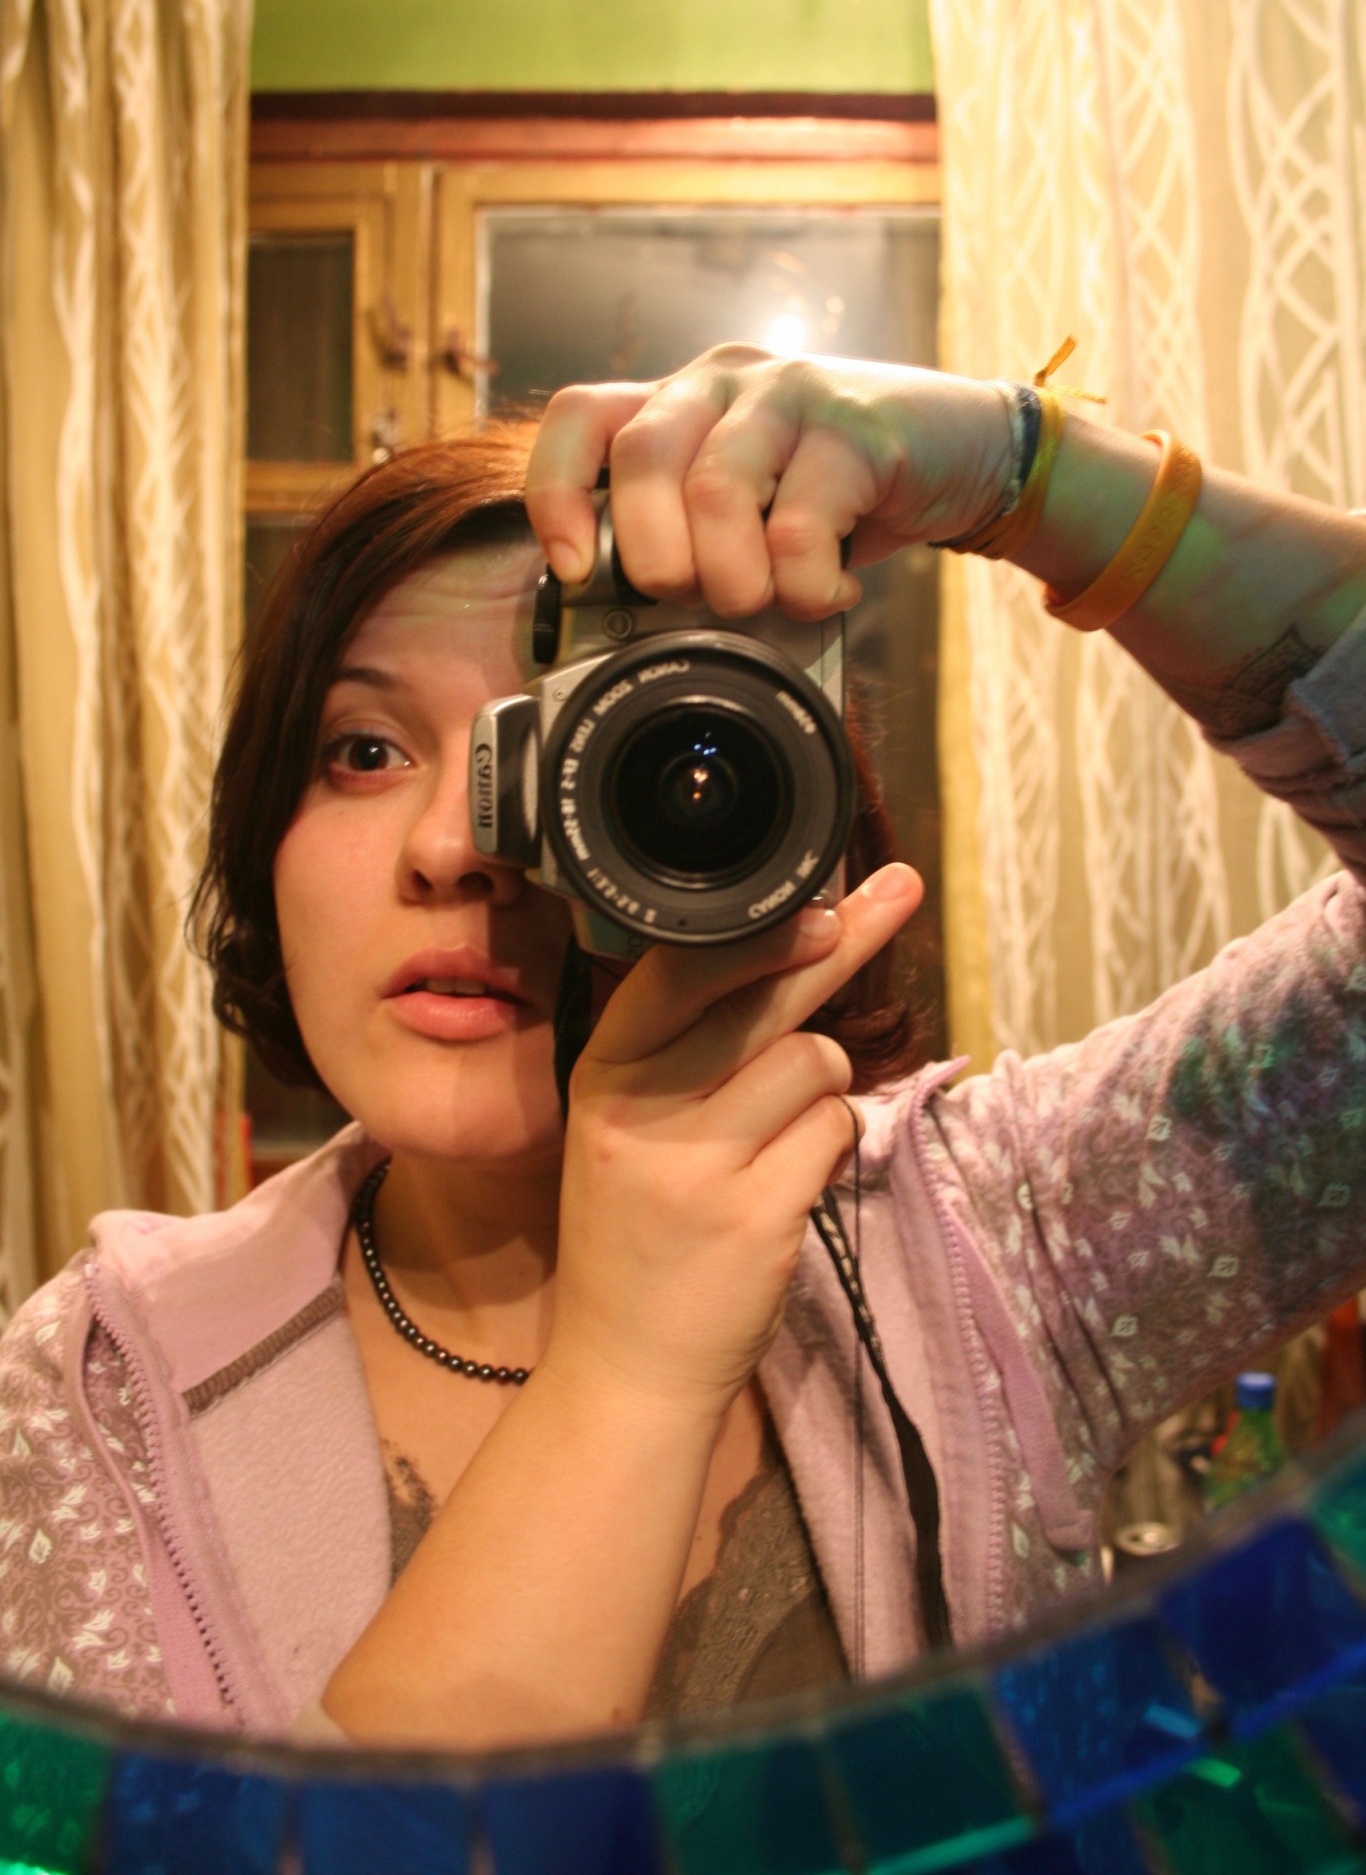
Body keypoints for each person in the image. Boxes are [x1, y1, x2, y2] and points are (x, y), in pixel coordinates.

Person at [0, 345, 1362, 1750]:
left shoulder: (993, 1229)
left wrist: (1033, 476)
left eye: (585, 749)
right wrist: (629, 1365)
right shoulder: (102, 1388)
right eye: (363, 750)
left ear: (778, 810)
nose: (457, 842)